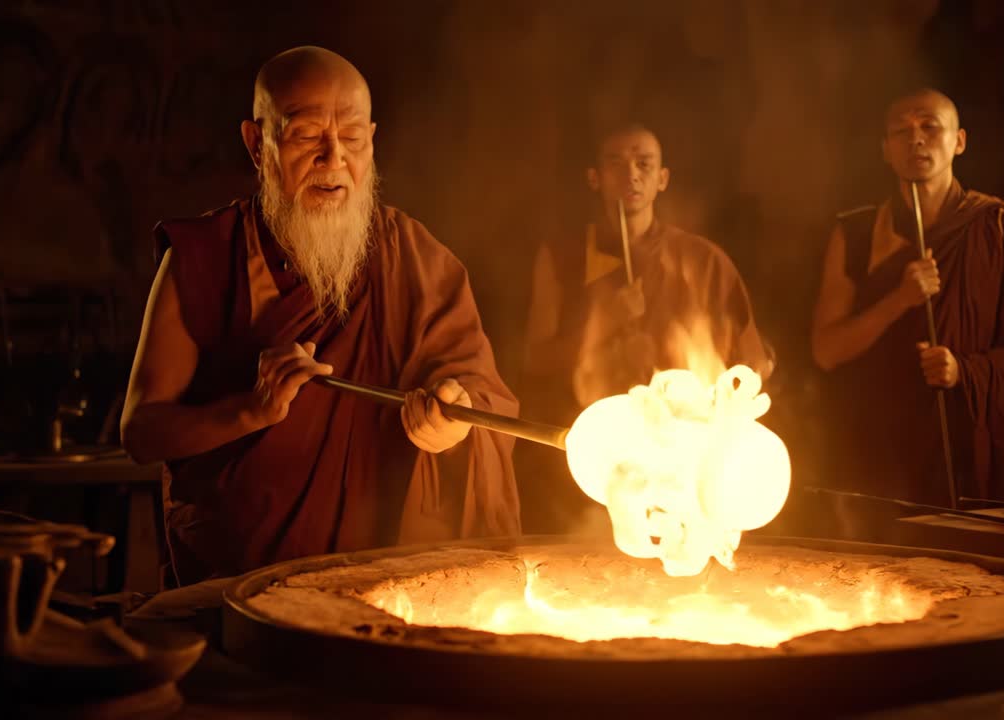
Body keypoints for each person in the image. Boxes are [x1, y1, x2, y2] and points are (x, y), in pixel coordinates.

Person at [120, 46, 519, 585]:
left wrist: (451, 425)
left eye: (352, 138)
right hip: (238, 585)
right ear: (257, 143)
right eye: (307, 135)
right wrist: (251, 411)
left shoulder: (414, 258)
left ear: (371, 142)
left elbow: (482, 399)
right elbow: (142, 432)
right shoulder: (205, 256)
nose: (333, 159)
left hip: (387, 584)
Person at [810, 88, 1004, 506]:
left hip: (968, 452)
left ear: (959, 141)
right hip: (880, 452)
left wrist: (964, 371)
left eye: (930, 127)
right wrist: (899, 299)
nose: (916, 139)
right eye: (901, 131)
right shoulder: (857, 235)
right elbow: (826, 351)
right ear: (885, 150)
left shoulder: (1001, 230)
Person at [519, 123, 769, 532]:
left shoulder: (702, 260)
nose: (631, 175)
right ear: (595, 178)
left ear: (662, 179)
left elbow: (751, 365)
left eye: (644, 164)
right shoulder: (563, 256)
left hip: (681, 458)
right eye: (616, 164)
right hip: (593, 454)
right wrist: (605, 324)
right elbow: (535, 359)